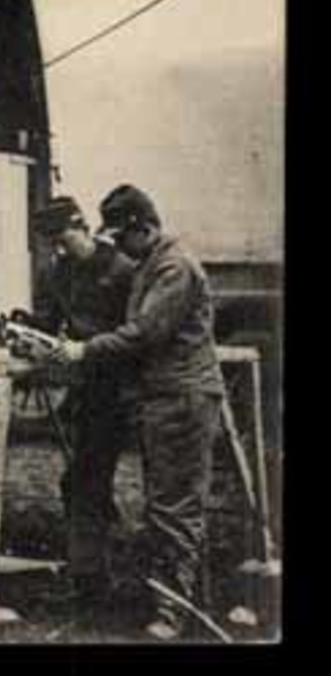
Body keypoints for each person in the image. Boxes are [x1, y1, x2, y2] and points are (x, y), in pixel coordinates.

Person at [52, 184, 225, 641]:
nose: (117, 246)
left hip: (180, 399)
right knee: (170, 503)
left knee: (174, 507)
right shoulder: (155, 262)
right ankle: (183, 602)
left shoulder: (173, 267)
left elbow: (143, 335)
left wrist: (82, 350)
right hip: (164, 398)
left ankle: (174, 613)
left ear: (141, 228)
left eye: (121, 236)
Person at [30, 195, 137, 605]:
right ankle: (95, 572)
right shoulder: (61, 270)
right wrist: (31, 330)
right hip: (90, 390)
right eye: (52, 242)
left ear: (82, 227)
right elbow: (50, 320)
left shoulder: (122, 269)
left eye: (63, 238)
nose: (59, 248)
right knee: (84, 479)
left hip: (122, 389)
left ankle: (94, 579)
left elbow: (137, 334)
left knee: (85, 481)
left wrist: (85, 346)